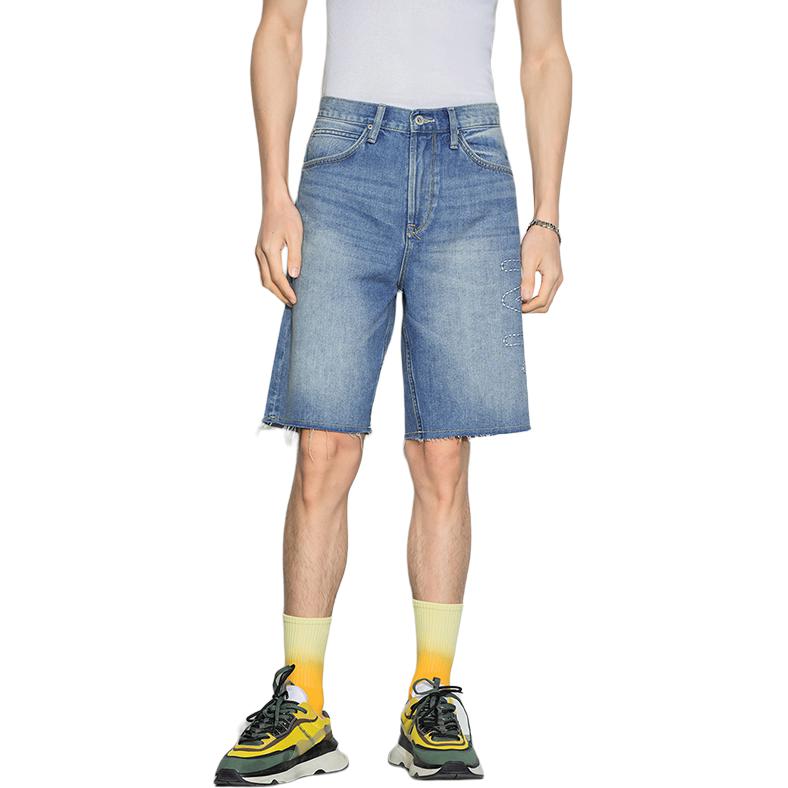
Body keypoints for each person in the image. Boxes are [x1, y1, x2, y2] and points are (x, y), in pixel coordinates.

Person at [215, 0, 571, 783]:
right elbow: (280, 29)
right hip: (345, 162)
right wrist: (273, 192)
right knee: (323, 445)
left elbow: (544, 53)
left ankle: (430, 696)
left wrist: (547, 218)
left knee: (443, 453)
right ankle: (303, 704)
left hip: (471, 165)